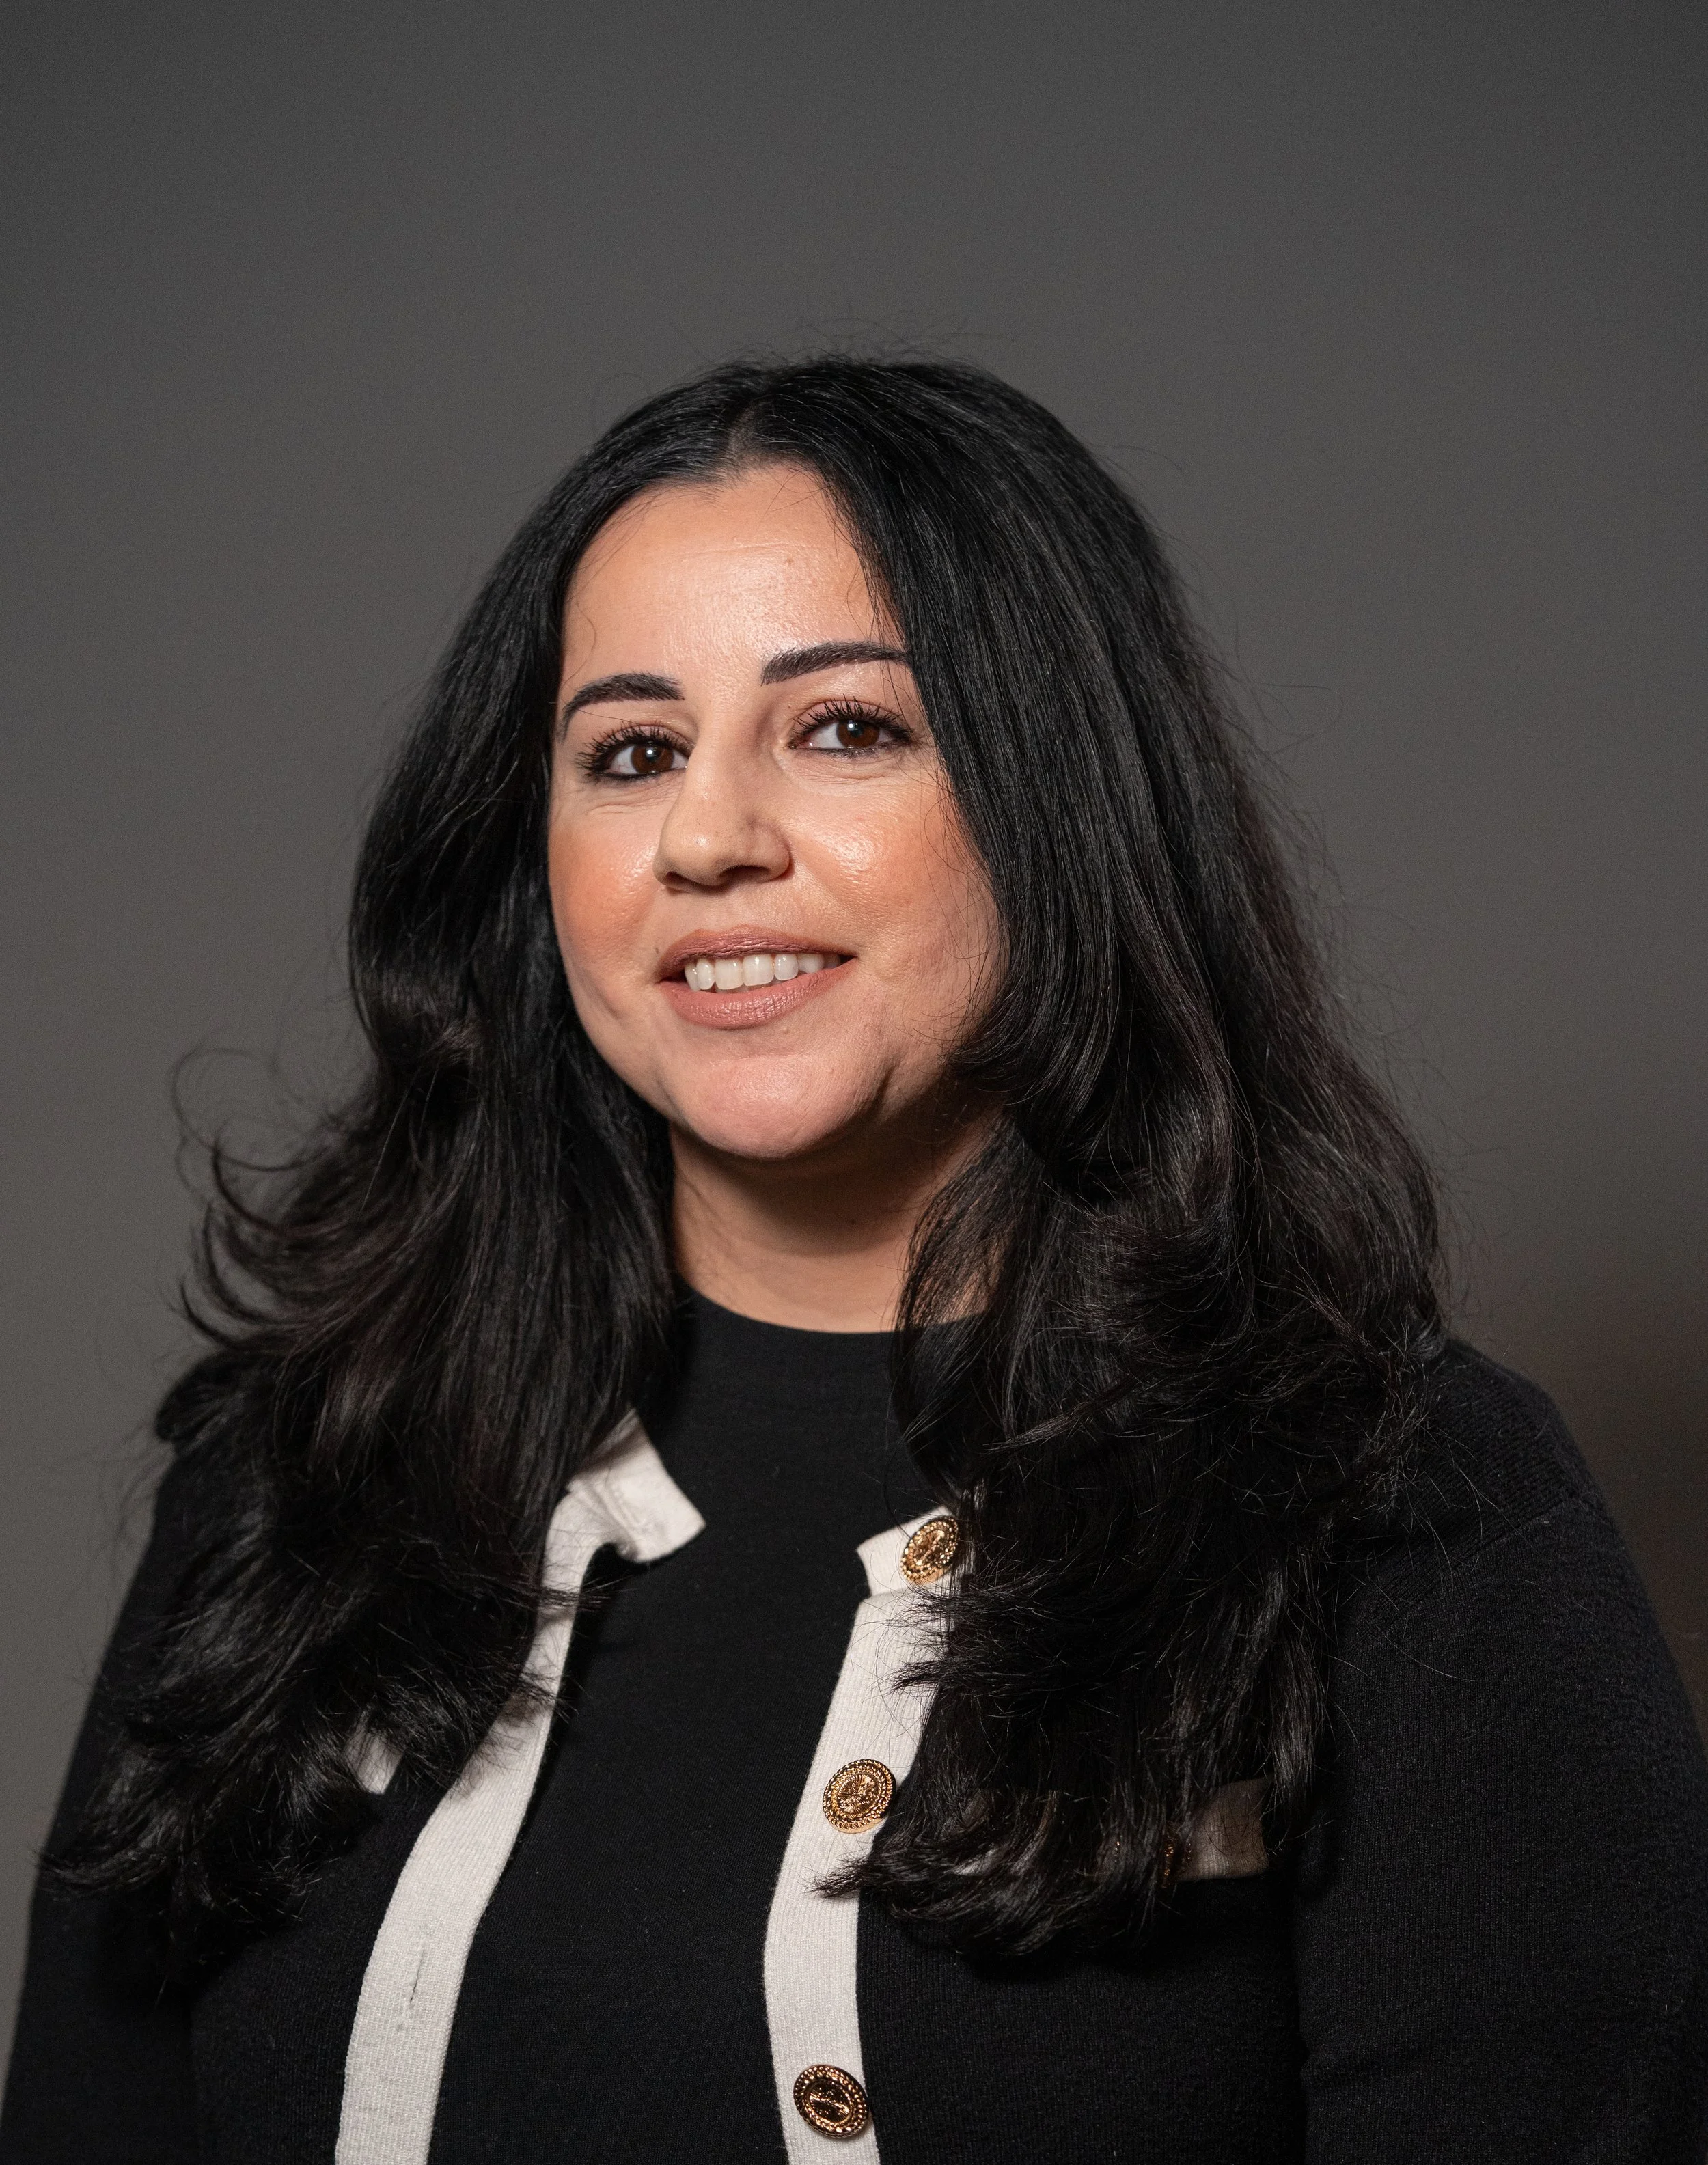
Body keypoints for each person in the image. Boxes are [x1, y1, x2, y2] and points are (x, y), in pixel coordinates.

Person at [2, 357, 1705, 2165]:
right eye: (631, 751)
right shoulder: (300, 1478)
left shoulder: (1403, 1509)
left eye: (844, 730)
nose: (712, 837)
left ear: (1060, 811)